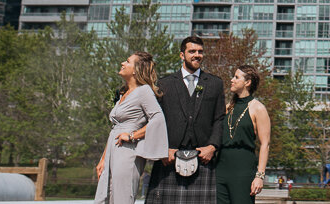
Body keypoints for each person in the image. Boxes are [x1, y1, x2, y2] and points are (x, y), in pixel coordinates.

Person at [147, 36, 226, 204]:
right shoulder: (164, 84)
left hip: (203, 157)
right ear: (182, 55)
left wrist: (212, 147)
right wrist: (162, 149)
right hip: (169, 158)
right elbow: (155, 121)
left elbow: (219, 118)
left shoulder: (214, 83)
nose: (197, 55)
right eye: (192, 51)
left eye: (200, 52)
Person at [95, 52, 169, 204]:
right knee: (105, 196)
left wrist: (132, 136)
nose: (123, 63)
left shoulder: (144, 91)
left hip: (128, 151)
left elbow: (158, 118)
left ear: (136, 70)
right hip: (112, 151)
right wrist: (103, 159)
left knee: (122, 197)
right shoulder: (123, 92)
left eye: (127, 61)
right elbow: (114, 129)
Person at [216, 64, 272, 204]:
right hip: (220, 169)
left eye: (236, 77)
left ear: (247, 82)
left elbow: (265, 144)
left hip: (243, 170)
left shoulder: (258, 108)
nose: (232, 80)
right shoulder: (228, 107)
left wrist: (259, 176)